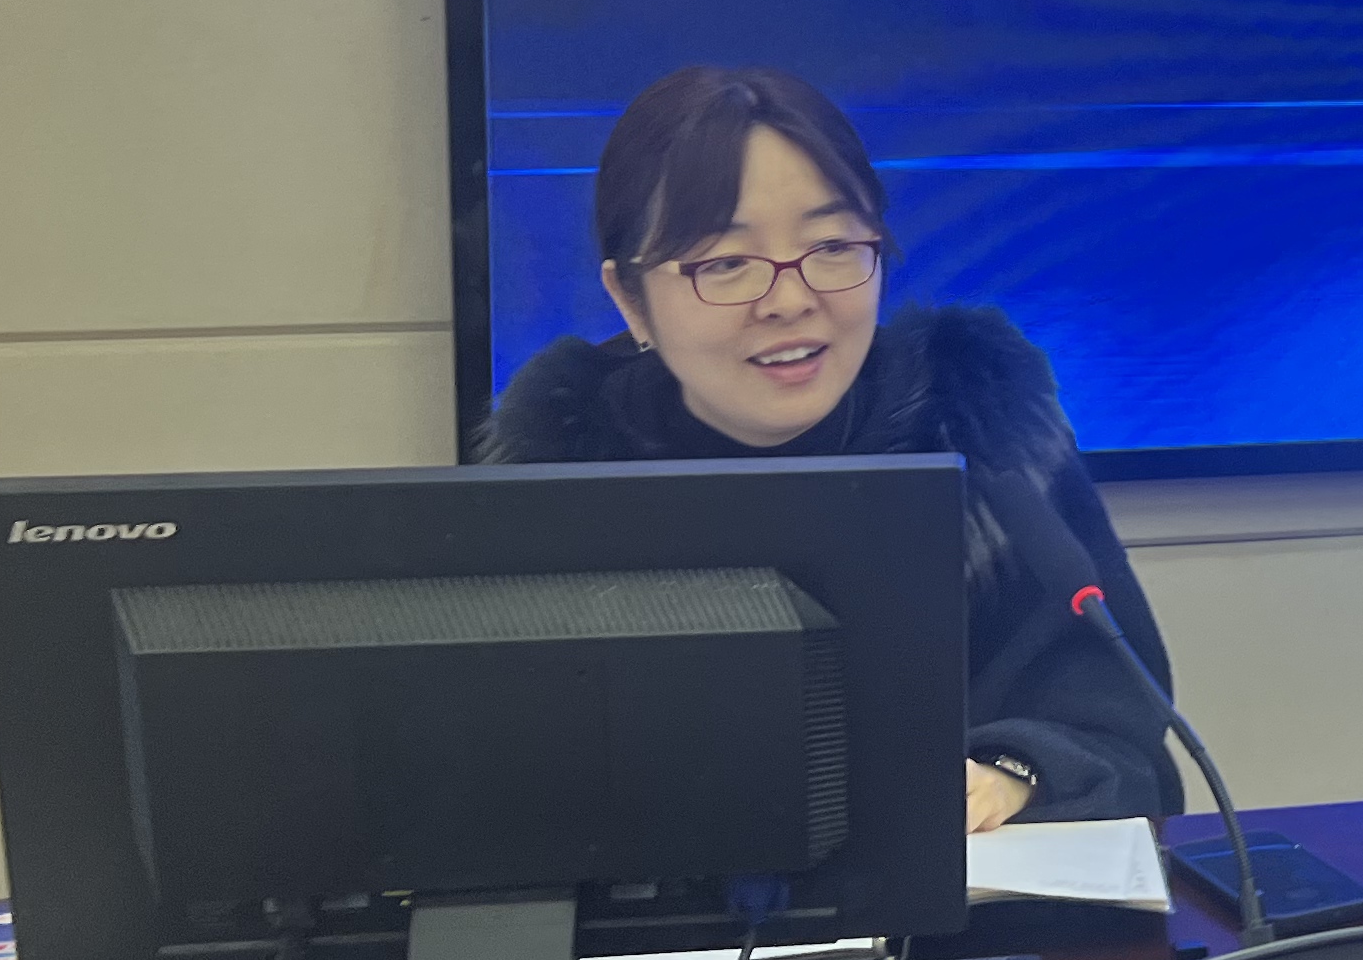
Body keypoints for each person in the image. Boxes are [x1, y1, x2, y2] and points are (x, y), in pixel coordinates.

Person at [473, 64, 1182, 827]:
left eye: (834, 246)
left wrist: (1016, 775)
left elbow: (1123, 748)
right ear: (630, 299)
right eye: (725, 263)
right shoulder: (558, 488)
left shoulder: (982, 439)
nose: (791, 300)